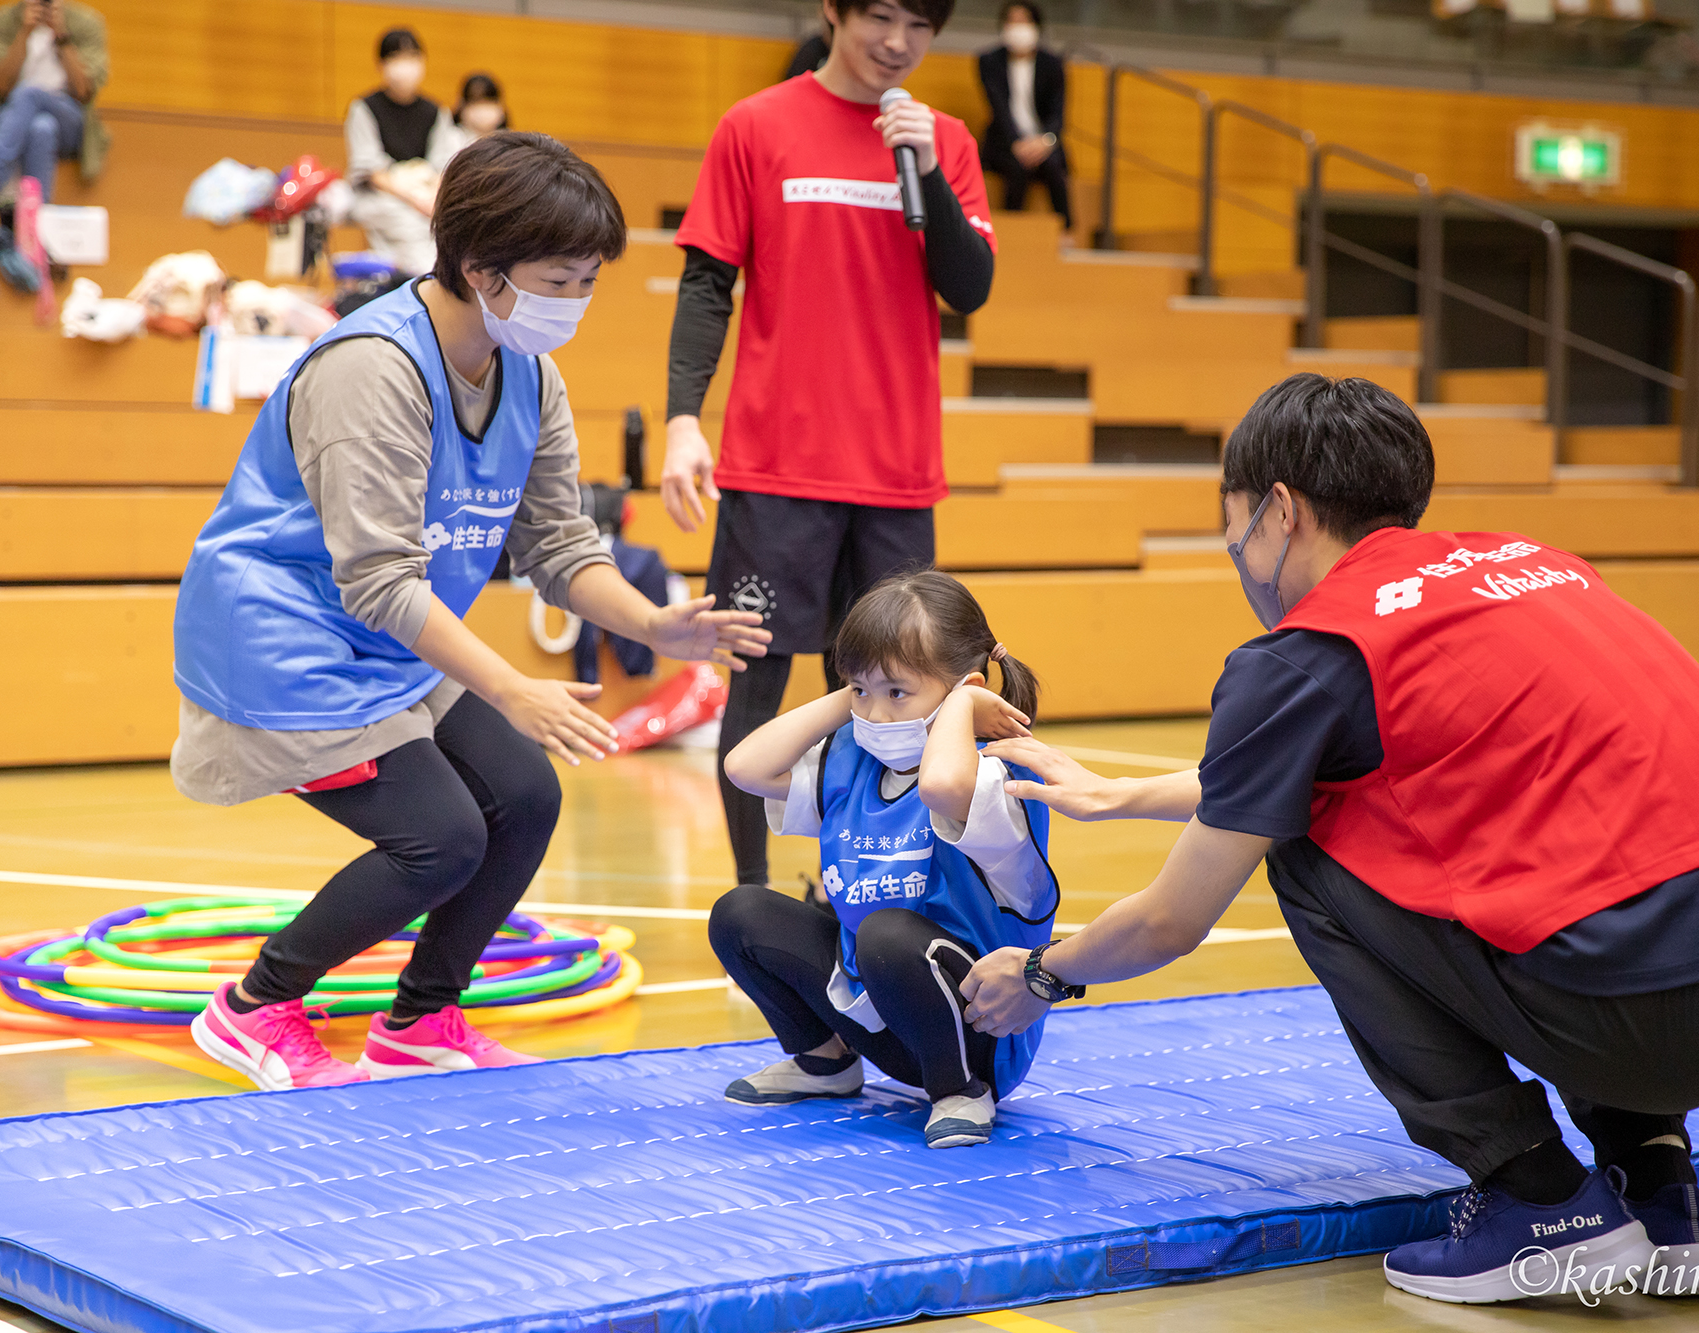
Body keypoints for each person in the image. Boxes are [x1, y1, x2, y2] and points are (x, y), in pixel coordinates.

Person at [960, 373, 1699, 1303]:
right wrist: (1125, 796)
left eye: (1231, 524)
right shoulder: (1534, 564)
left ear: (1278, 511)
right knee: (1574, 846)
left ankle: (1540, 1199)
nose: (1234, 551)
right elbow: (1399, 761)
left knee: (1306, 854)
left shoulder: (1305, 653)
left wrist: (1042, 973)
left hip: (1645, 1012)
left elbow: (1173, 920)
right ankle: (1661, 1189)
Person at [173, 132, 772, 1092]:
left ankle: (419, 1020)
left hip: (392, 646)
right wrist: (511, 686)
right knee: (441, 837)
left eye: (589, 281)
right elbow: (375, 579)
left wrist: (657, 624)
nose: (575, 303)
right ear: (481, 269)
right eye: (560, 279)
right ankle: (254, 1005)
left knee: (526, 797)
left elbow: (559, 545)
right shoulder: (372, 370)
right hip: (285, 646)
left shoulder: (530, 372)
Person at [662, 0, 996, 896]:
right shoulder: (755, 126)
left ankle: (856, 883)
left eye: (920, 27)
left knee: (893, 694)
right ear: (834, 11)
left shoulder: (944, 143)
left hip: (895, 473)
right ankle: (752, 891)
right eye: (880, 16)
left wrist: (923, 166)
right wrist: (682, 417)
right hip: (775, 468)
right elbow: (706, 285)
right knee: (759, 683)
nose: (898, 42)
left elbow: (969, 287)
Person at [714, 569, 1056, 1148]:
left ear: (962, 690)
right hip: (877, 1014)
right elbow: (744, 768)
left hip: (976, 1035)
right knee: (741, 912)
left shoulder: (996, 772)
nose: (875, 715)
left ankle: (959, 1092)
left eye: (898, 692)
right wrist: (853, 693)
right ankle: (827, 1064)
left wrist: (964, 707)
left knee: (886, 934)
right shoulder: (854, 756)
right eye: (861, 692)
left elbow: (942, 786)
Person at [344, 28, 460, 277]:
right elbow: (370, 170)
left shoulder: (436, 112)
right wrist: (411, 198)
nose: (405, 66)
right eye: (396, 57)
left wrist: (430, 200)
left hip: (426, 194)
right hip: (382, 195)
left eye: (411, 57)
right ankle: (420, 281)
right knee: (406, 225)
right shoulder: (364, 108)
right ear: (382, 64)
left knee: (450, 222)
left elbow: (442, 165)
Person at [0, 0, 109, 204]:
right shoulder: (1, 21)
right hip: (12, 114)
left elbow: (83, 91)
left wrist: (61, 35)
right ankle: (36, 215)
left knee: (29, 93)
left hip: (68, 115)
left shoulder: (87, 22)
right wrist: (24, 33)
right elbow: (0, 88)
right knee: (42, 128)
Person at [976, 2, 1069, 231]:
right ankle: (1010, 232)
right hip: (1005, 141)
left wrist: (1045, 141)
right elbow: (999, 109)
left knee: (1054, 166)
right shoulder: (989, 61)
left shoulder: (1052, 63)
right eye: (1012, 21)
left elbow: (1058, 114)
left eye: (1024, 21)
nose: (1018, 27)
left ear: (1036, 26)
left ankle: (1067, 231)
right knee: (1017, 166)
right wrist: (1017, 143)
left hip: (1044, 142)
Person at [453, 73, 509, 146]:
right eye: (475, 102)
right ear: (462, 105)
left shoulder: (509, 142)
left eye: (488, 102)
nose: (482, 109)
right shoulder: (451, 140)